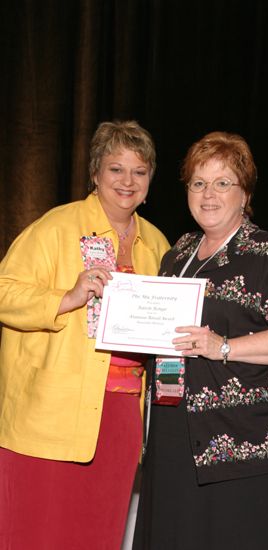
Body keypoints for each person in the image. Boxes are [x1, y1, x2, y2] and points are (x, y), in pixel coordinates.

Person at [132, 131, 268, 550]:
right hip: (178, 432)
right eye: (198, 183)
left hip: (249, 443)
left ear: (245, 194)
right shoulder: (179, 253)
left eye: (223, 183)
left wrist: (223, 347)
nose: (209, 194)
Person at [0, 120, 170, 549]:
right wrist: (67, 296)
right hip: (51, 414)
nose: (127, 181)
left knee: (98, 535)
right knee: (37, 535)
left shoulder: (159, 245)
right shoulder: (56, 227)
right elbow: (4, 292)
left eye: (139, 171)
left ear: (150, 182)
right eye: (116, 169)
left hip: (121, 416)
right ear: (95, 173)